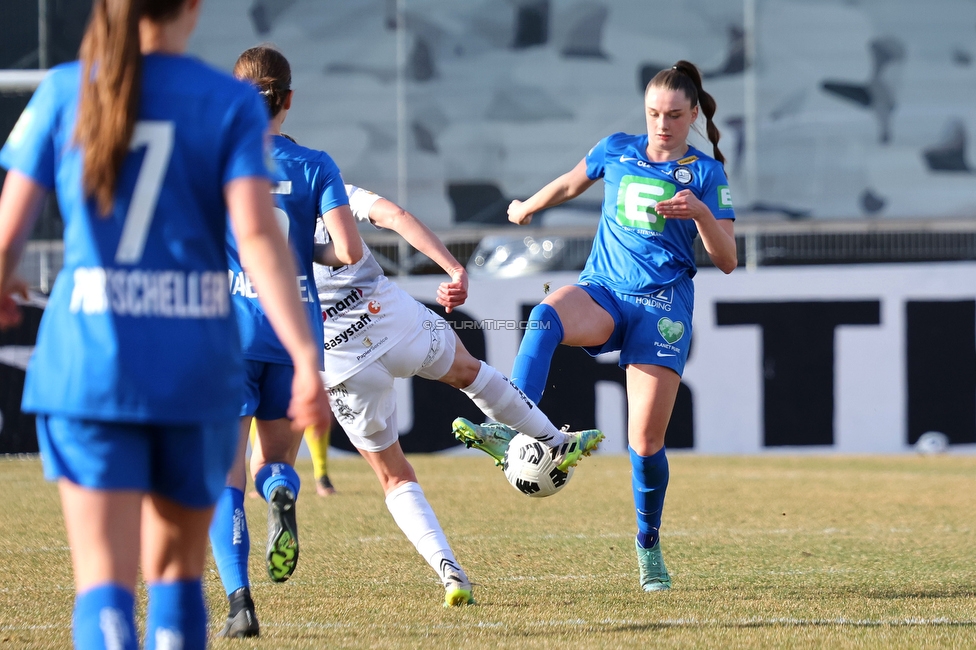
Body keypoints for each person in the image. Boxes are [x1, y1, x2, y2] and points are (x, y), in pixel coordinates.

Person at [0, 1, 329, 648]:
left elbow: (9, 233)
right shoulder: (227, 103)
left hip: (87, 364)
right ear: (193, 7)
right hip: (193, 367)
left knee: (103, 585)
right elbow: (260, 239)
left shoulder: (66, 89)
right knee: (176, 579)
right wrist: (306, 358)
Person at [455, 61, 737, 593]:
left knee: (646, 443)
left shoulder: (706, 174)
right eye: (654, 112)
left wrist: (700, 213)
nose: (662, 124)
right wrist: (527, 206)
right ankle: (517, 427)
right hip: (605, 290)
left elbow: (727, 259)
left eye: (675, 115)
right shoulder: (617, 149)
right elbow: (571, 181)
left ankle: (648, 547)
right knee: (544, 315)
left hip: (661, 309)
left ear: (694, 114)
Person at [314, 183, 605, 607]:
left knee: (393, 476)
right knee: (470, 372)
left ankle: (448, 569)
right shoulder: (316, 171)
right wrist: (453, 268)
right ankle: (555, 440)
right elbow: (392, 214)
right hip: (389, 317)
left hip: (338, 354)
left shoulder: (232, 198)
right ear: (285, 111)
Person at [208, 45, 361, 639]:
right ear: (289, 100)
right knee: (275, 463)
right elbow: (349, 252)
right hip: (295, 335)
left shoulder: (219, 158)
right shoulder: (316, 164)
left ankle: (239, 601)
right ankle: (280, 491)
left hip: (231, 331)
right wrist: (306, 254)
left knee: (223, 480)